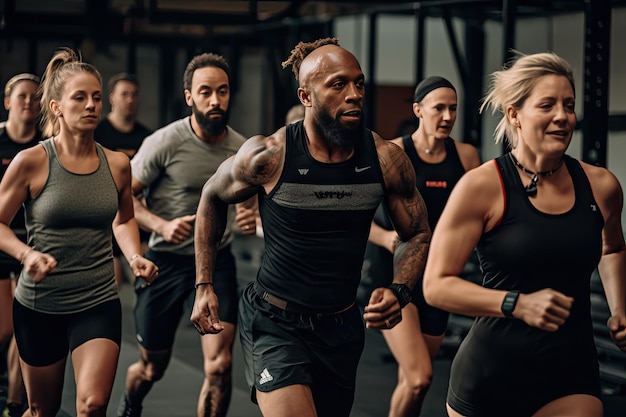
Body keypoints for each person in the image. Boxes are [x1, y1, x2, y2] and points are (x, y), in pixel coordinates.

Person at [190, 37, 432, 417]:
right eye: (338, 84)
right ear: (306, 96)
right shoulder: (268, 156)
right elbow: (212, 197)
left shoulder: (385, 160)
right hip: (275, 322)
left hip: (341, 326)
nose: (354, 94)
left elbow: (416, 232)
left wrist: (400, 289)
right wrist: (204, 284)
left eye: (359, 83)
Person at [422, 51, 626, 417]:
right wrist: (517, 303)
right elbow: (436, 285)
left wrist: (620, 308)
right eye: (547, 105)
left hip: (572, 372)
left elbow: (611, 247)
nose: (562, 116)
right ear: (515, 115)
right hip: (491, 378)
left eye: (569, 105)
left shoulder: (602, 186)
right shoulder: (482, 186)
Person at [0, 47, 158, 417]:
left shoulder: (118, 164)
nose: (91, 106)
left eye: (97, 98)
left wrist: (135, 256)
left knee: (93, 405)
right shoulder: (32, 162)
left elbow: (123, 220)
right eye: (80, 98)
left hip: (97, 299)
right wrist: (26, 254)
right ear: (56, 107)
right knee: (42, 409)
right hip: (41, 303)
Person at [117, 52, 254, 417]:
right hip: (164, 261)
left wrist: (248, 213)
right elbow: (124, 195)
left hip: (215, 261)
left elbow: (250, 201)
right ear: (189, 96)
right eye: (206, 91)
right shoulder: (165, 141)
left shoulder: (242, 150)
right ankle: (131, 405)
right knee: (151, 369)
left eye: (222, 91)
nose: (215, 100)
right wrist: (161, 225)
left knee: (220, 368)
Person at [365, 76, 481, 417]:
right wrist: (386, 238)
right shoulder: (392, 152)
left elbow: (480, 213)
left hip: (437, 279)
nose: (447, 116)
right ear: (418, 110)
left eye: (453, 109)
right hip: (394, 275)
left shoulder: (467, 156)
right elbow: (359, 217)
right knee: (419, 377)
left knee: (413, 381)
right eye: (439, 108)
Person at [0, 72, 43, 417]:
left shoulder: (45, 146)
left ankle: (15, 404)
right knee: (3, 329)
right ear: (8, 102)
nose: (29, 102)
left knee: (21, 329)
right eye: (22, 96)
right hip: (1, 240)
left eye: (35, 97)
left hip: (34, 244)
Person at [95, 72, 152, 288]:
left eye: (134, 95)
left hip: (136, 220)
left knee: (146, 279)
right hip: (106, 220)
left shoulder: (147, 138)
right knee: (112, 285)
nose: (130, 100)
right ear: (111, 98)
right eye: (124, 94)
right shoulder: (97, 133)